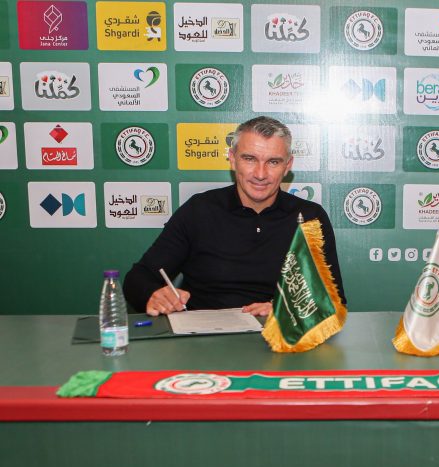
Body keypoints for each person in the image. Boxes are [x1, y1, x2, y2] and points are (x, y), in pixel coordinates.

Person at [123, 116, 345, 317]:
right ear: (232, 159)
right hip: (204, 337)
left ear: (288, 165)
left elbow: (334, 302)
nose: (260, 174)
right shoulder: (199, 210)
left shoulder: (310, 218)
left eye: (273, 162)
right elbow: (138, 278)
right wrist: (153, 295)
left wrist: (288, 311)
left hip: (280, 337)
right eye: (250, 159)